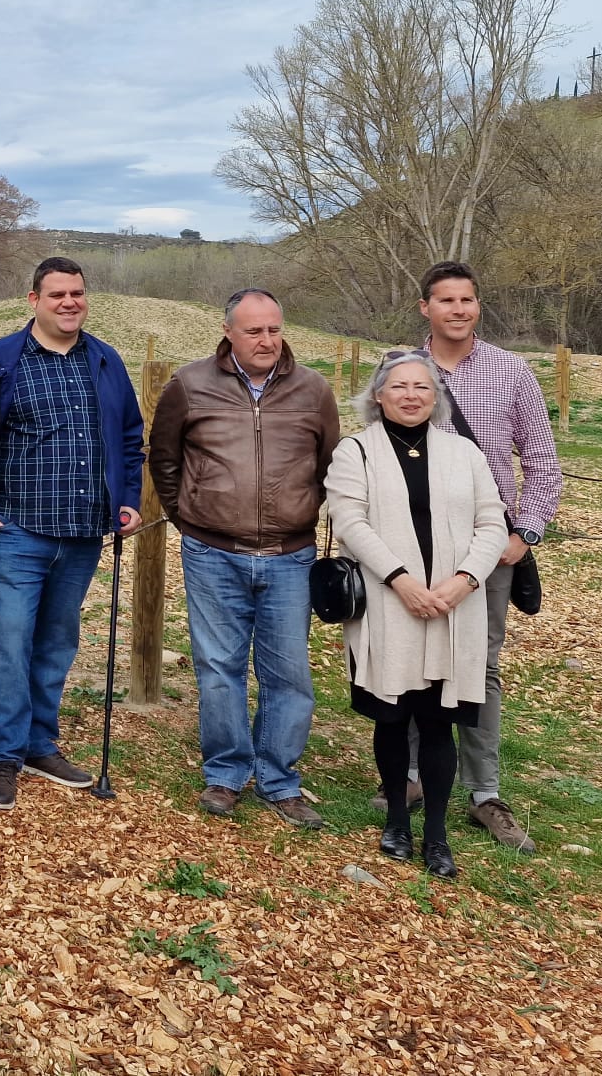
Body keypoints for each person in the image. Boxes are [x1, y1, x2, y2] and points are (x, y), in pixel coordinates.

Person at [149, 287, 341, 827]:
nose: (266, 340)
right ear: (229, 332)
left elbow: (330, 466)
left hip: (290, 555)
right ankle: (226, 774)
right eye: (254, 330)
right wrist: (191, 515)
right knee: (218, 668)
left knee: (288, 674)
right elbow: (165, 459)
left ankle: (280, 779)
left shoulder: (313, 389)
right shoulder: (190, 384)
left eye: (274, 329)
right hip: (213, 552)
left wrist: (299, 513)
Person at [0, 257, 144, 809]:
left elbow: (131, 437)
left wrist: (128, 499)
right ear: (33, 299)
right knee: (11, 641)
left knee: (57, 641)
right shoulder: (0, 361)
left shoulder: (105, 360)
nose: (69, 303)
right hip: (15, 529)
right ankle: (3, 756)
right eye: (57, 294)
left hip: (84, 531)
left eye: (78, 293)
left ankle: (41, 743)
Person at [326, 352, 508, 877]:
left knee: (437, 722)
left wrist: (464, 579)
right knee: (393, 712)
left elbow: (492, 521)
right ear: (378, 395)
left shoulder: (464, 453)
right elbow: (350, 520)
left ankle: (436, 835)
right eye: (399, 386)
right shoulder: (356, 452)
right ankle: (398, 822)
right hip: (390, 602)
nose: (411, 395)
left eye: (422, 387)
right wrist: (401, 580)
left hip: (454, 605)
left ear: (436, 397)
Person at [403, 261, 564, 853]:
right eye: (445, 299)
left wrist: (523, 535)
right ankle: (414, 778)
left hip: (487, 546)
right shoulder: (404, 371)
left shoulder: (510, 371)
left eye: (467, 299)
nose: (458, 309)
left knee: (480, 666)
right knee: (417, 658)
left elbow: (544, 466)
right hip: (414, 541)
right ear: (426, 307)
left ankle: (484, 792)